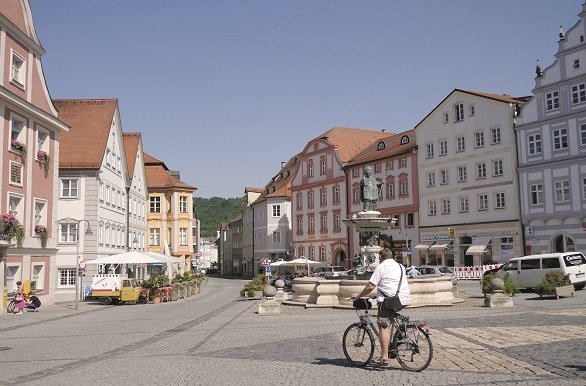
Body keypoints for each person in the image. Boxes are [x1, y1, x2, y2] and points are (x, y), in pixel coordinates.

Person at [351, 248, 411, 366]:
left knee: (383, 326)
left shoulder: (381, 267)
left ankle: (384, 357)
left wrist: (358, 296)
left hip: (389, 301)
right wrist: (377, 295)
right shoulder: (400, 266)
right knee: (391, 319)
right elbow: (390, 284)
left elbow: (370, 286)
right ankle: (395, 342)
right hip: (403, 299)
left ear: (381, 257)